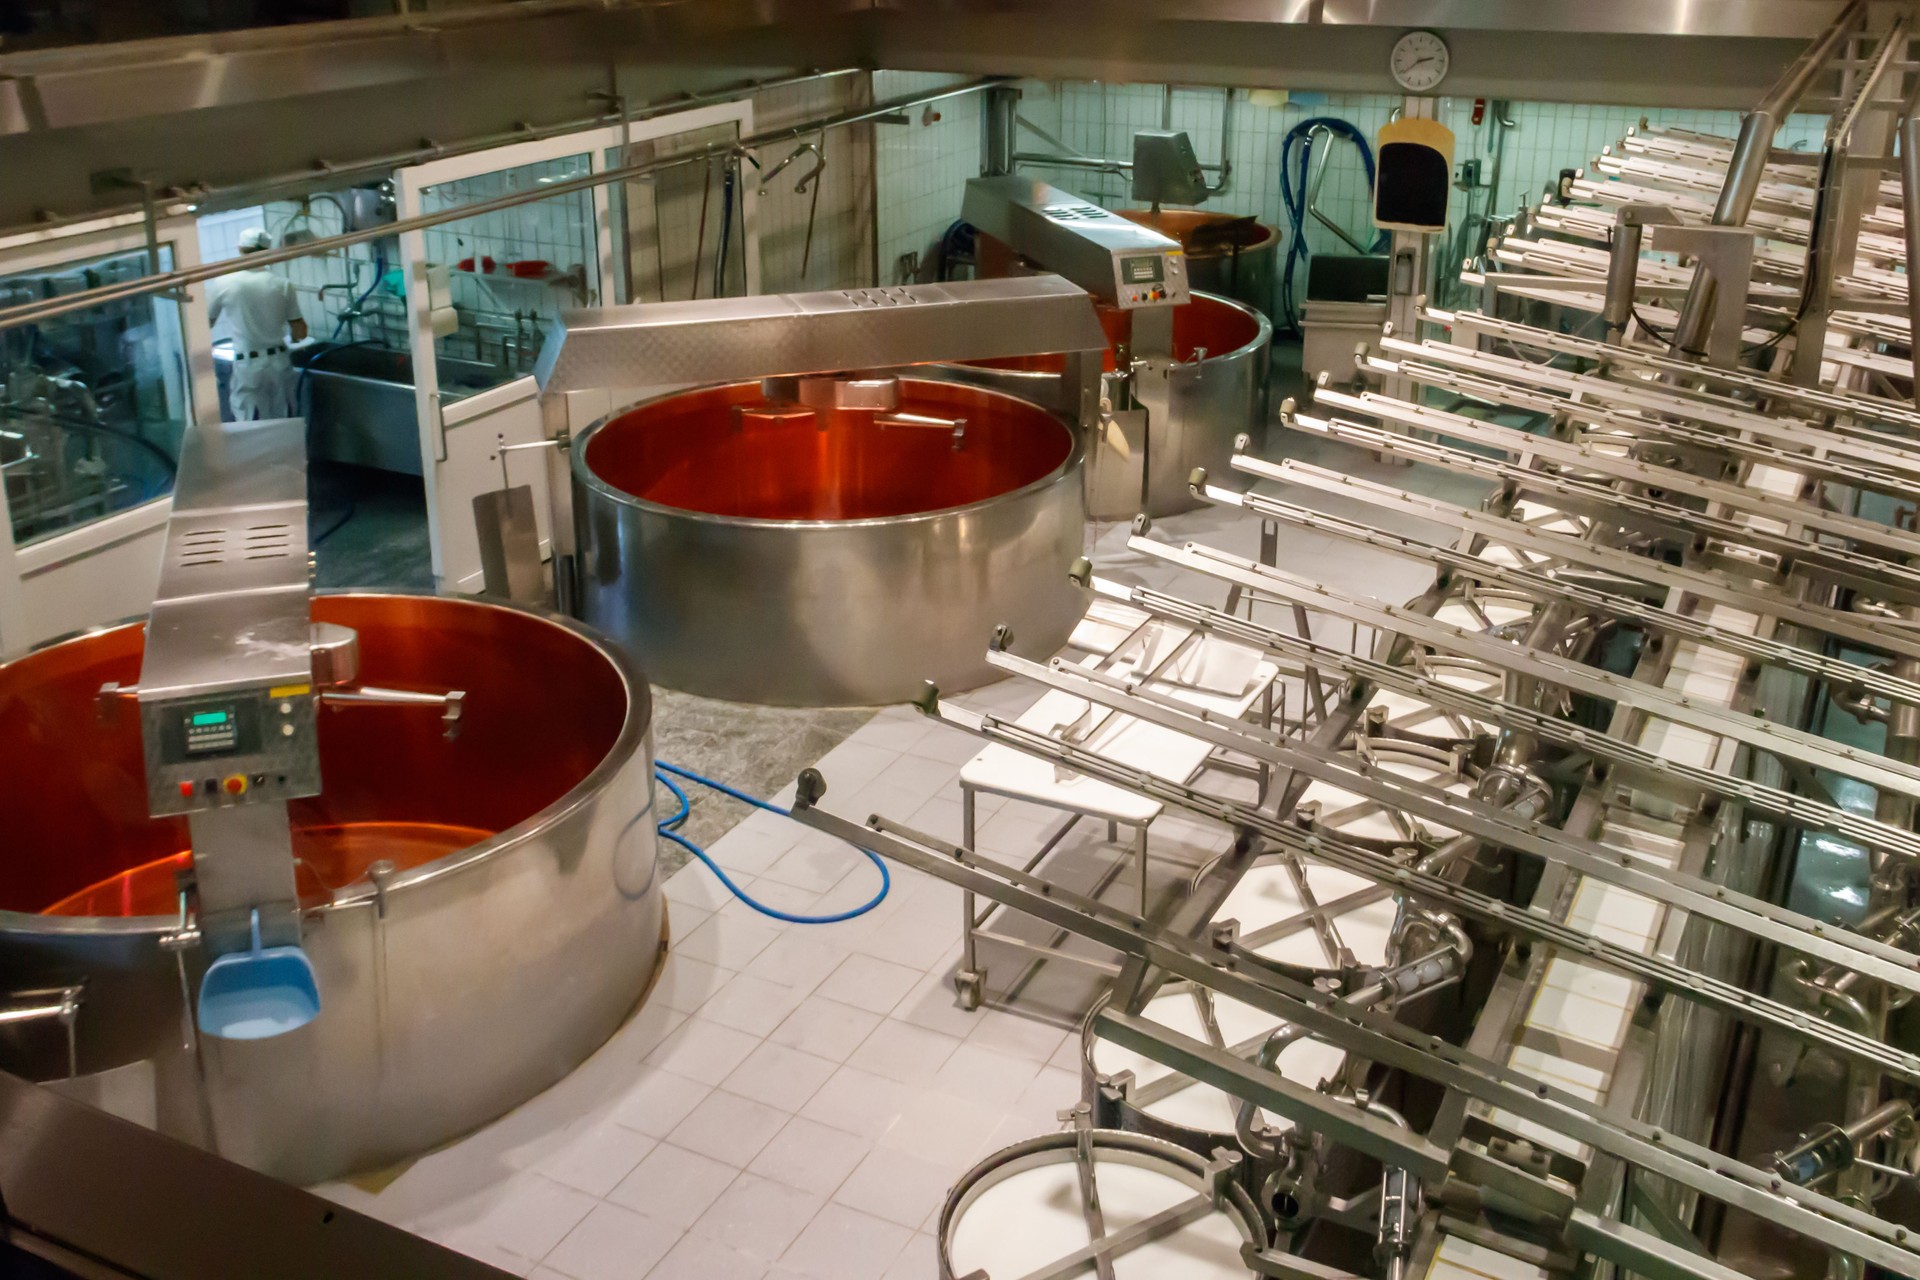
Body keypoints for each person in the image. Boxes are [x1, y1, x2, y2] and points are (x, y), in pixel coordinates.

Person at [208, 227, 307, 420]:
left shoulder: (223, 282)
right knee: (284, 419)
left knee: (250, 420)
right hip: (279, 362)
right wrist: (296, 340)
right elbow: (300, 330)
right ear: (267, 251)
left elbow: (205, 324)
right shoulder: (282, 284)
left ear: (240, 249)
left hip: (248, 364)